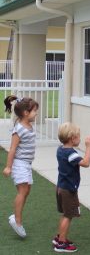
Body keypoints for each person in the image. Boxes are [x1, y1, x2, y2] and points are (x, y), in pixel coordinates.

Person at [52, 122, 90, 253]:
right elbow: (86, 163)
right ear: (72, 138)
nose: (80, 139)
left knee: (65, 215)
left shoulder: (60, 149)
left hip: (60, 187)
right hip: (68, 190)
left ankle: (60, 238)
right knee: (68, 215)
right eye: (78, 136)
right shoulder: (71, 153)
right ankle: (61, 244)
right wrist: (88, 147)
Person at [3, 95, 39, 238]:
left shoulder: (28, 126)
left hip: (26, 165)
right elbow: (12, 149)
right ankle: (17, 221)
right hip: (19, 164)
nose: (36, 113)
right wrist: (8, 166)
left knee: (27, 190)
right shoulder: (19, 129)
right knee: (22, 191)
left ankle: (15, 217)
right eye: (34, 111)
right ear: (25, 113)